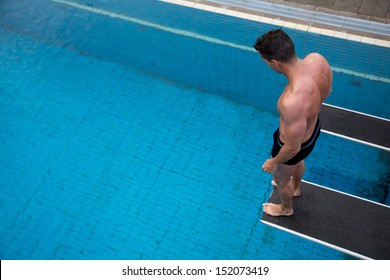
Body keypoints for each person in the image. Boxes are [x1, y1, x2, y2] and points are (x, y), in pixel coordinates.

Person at [254, 29, 332, 216]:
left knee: (281, 180)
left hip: (292, 144)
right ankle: (296, 188)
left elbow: (292, 148)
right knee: (298, 161)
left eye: (266, 62)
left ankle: (286, 208)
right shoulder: (317, 60)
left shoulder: (292, 102)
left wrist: (273, 162)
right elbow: (327, 90)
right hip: (312, 129)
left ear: (275, 63)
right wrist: (310, 109)